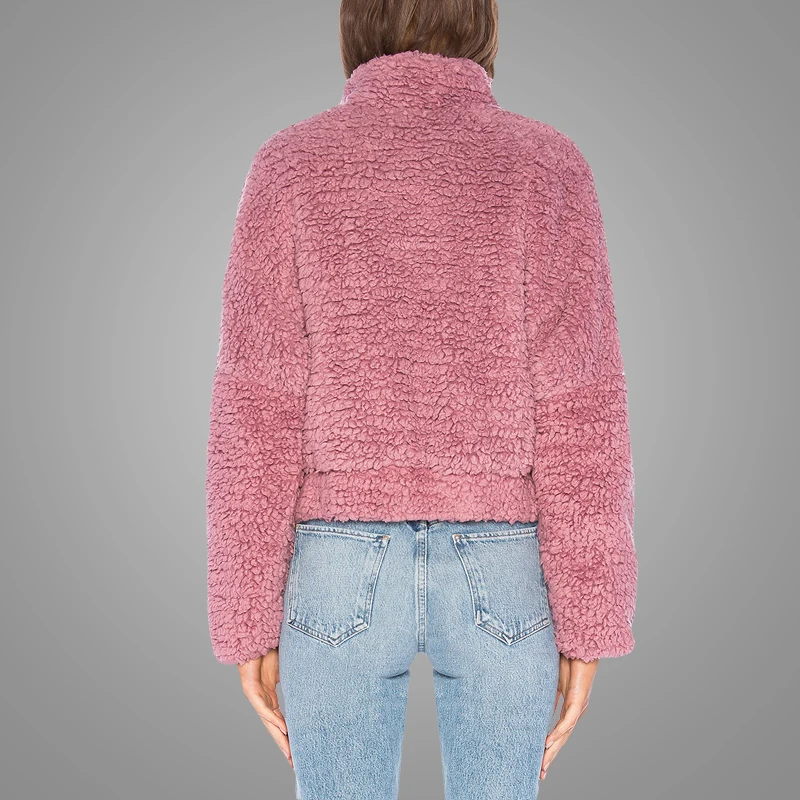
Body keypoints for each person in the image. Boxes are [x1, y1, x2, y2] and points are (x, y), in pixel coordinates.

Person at [205, 1, 638, 797]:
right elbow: (583, 408)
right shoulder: (546, 165)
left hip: (336, 563)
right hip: (503, 566)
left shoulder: (291, 165)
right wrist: (591, 617)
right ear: (482, 20)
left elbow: (255, 408)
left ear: (354, 22)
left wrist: (246, 618)